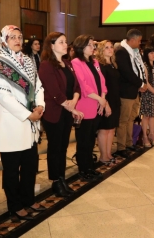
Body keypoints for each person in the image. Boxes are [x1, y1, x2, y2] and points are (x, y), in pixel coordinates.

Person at [0, 25, 45, 221]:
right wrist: (29, 114)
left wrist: (40, 106)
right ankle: (14, 205)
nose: (17, 40)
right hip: (11, 124)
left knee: (30, 165)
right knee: (12, 170)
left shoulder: (28, 61)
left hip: (30, 123)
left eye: (20, 37)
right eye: (13, 37)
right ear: (4, 41)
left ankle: (28, 199)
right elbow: (4, 97)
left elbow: (38, 86)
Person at [39, 32, 83, 197]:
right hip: (54, 112)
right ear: (51, 45)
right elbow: (55, 92)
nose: (66, 45)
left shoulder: (67, 63)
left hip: (67, 111)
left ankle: (62, 177)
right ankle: (56, 181)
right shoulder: (46, 65)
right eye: (61, 42)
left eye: (65, 42)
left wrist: (75, 100)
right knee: (55, 147)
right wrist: (71, 107)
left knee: (63, 146)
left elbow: (77, 86)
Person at [71, 35, 108, 181]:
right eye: (90, 45)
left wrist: (103, 98)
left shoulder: (95, 62)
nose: (93, 48)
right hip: (85, 106)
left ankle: (90, 167)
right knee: (84, 140)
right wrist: (99, 98)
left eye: (93, 45)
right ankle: (83, 169)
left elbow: (102, 81)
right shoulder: (76, 62)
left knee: (91, 139)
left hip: (97, 104)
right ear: (81, 46)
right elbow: (82, 84)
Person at [115, 29, 147, 158]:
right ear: (132, 40)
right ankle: (121, 147)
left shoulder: (133, 52)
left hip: (134, 90)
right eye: (139, 41)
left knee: (130, 119)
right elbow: (126, 72)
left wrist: (141, 83)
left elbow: (138, 69)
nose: (140, 44)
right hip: (126, 91)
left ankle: (129, 143)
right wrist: (141, 83)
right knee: (123, 121)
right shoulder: (122, 52)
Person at [96, 40, 120, 166]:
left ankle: (109, 153)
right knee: (104, 129)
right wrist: (106, 104)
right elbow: (101, 87)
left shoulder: (113, 65)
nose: (110, 49)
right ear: (101, 50)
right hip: (106, 100)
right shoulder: (101, 66)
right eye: (106, 48)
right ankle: (103, 156)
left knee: (112, 129)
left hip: (115, 99)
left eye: (111, 47)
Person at [140, 47, 154, 147]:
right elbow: (146, 82)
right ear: (146, 54)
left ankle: (152, 134)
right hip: (148, 94)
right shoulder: (145, 66)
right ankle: (144, 136)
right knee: (146, 116)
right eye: (151, 53)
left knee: (153, 115)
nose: (153, 55)